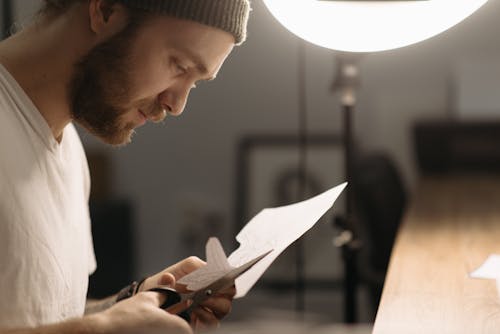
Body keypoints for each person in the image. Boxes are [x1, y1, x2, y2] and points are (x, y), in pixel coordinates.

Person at [0, 0, 250, 333]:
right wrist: (100, 331)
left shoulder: (69, 150)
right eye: (179, 65)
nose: (176, 104)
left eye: (196, 82)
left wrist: (141, 301)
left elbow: (41, 315)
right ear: (104, 11)